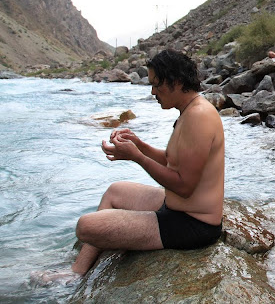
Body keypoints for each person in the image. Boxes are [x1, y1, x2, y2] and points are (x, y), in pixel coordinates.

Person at [70, 49, 225, 276]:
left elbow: (184, 186)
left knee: (86, 227)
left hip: (193, 225)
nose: (153, 92)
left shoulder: (199, 117)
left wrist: (137, 157)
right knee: (115, 191)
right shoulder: (189, 111)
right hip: (177, 209)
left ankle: (78, 273)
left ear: (176, 82)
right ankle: (78, 270)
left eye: (156, 84)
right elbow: (173, 161)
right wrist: (139, 144)